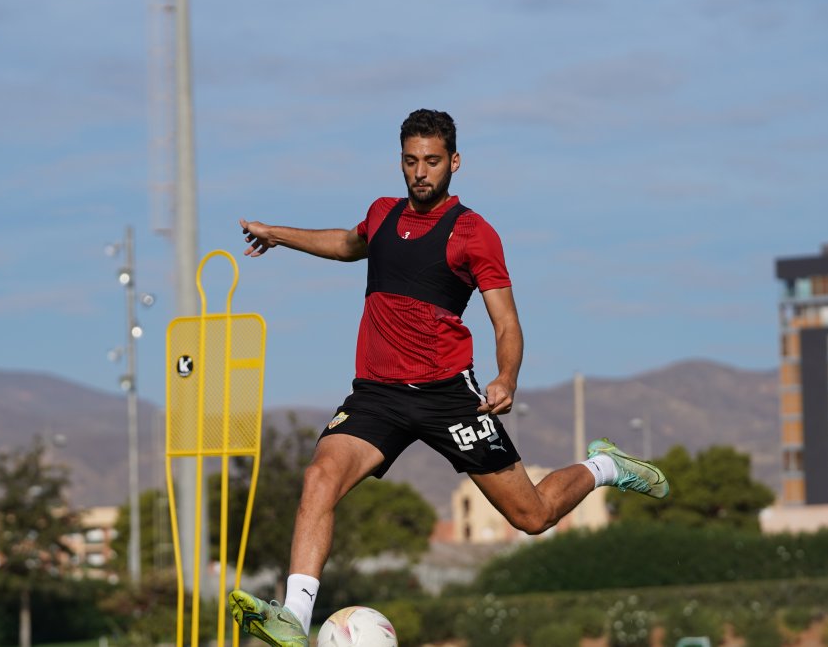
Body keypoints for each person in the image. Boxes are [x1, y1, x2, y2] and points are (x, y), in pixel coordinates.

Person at [229, 109, 669, 647]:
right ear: (401, 162)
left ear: (454, 162)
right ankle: (295, 618)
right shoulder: (382, 214)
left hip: (447, 397)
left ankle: (604, 466)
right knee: (319, 476)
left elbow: (506, 322)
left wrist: (506, 378)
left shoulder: (473, 233)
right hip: (377, 395)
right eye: (411, 161)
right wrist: (276, 233)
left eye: (432, 161)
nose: (421, 172)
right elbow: (348, 244)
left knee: (531, 516)